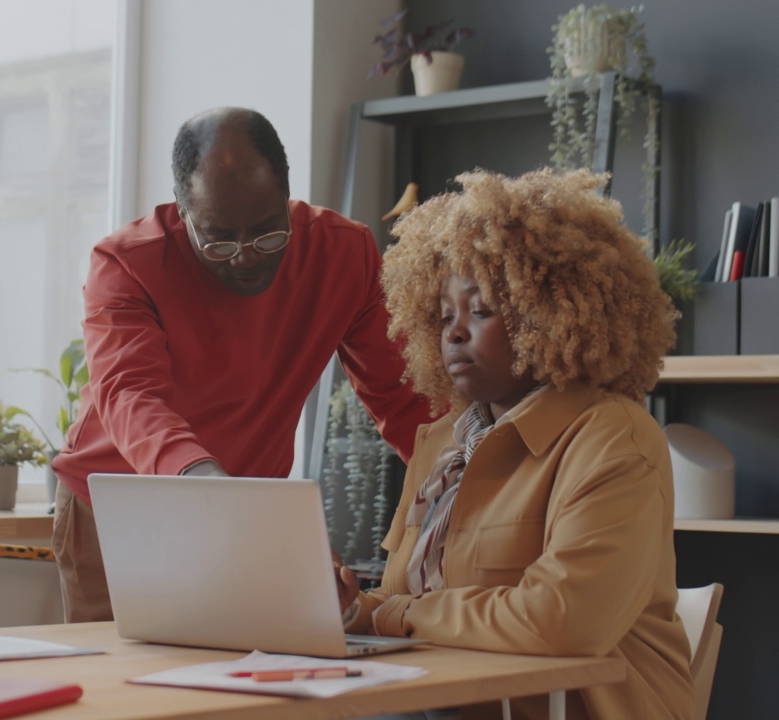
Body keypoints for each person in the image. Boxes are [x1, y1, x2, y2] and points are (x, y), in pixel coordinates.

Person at [50, 107, 434, 623]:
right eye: (218, 238)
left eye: (268, 232)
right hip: (118, 510)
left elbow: (404, 397)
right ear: (181, 210)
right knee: (126, 692)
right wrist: (218, 493)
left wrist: (470, 480)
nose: (246, 256)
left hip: (245, 503)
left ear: (288, 199)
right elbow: (129, 397)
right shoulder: (126, 264)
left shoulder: (345, 253)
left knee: (250, 687)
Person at [335, 169, 694, 719]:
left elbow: (561, 620)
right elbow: (399, 599)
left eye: (480, 311)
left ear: (546, 315)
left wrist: (390, 616)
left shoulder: (613, 439)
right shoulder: (439, 446)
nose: (453, 334)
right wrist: (348, 608)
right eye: (443, 316)